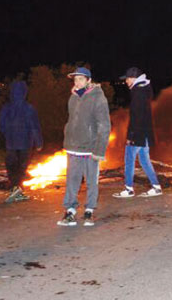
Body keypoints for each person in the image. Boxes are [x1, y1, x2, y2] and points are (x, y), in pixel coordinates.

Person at [59, 67, 110, 227]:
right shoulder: (72, 98)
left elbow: (104, 125)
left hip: (90, 148)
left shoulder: (98, 98)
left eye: (81, 79)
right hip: (73, 146)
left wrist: (99, 150)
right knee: (72, 181)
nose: (77, 82)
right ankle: (70, 211)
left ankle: (89, 211)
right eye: (75, 79)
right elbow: (71, 120)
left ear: (89, 80)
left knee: (91, 182)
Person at [113, 67, 162, 199]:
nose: (126, 82)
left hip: (138, 133)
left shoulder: (138, 92)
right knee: (144, 160)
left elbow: (136, 117)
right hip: (145, 133)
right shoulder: (144, 90)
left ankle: (128, 189)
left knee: (129, 159)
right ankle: (156, 186)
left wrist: (131, 136)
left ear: (134, 78)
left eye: (128, 79)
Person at [0, 80, 43, 204]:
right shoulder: (29, 108)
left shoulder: (6, 107)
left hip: (11, 142)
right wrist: (38, 142)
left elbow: (1, 125)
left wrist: (7, 134)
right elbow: (34, 126)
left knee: (12, 166)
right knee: (22, 167)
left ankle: (15, 188)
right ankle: (17, 190)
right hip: (25, 142)